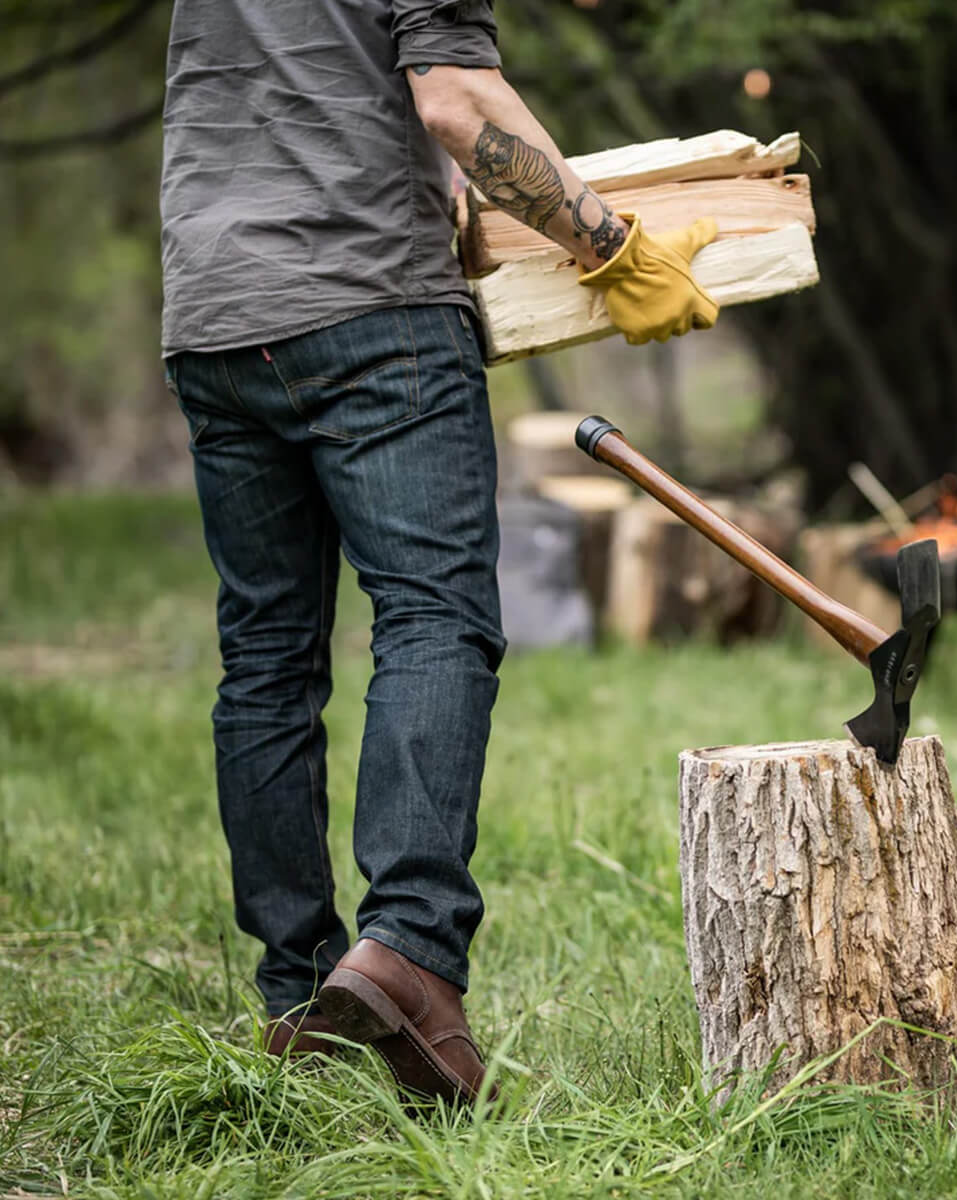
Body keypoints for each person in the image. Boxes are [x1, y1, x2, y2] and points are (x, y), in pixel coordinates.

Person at [160, 0, 718, 1106]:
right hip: (370, 307)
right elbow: (457, 100)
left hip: (214, 314)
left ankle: (301, 1001)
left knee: (266, 661)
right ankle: (409, 952)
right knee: (433, 618)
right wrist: (615, 251)